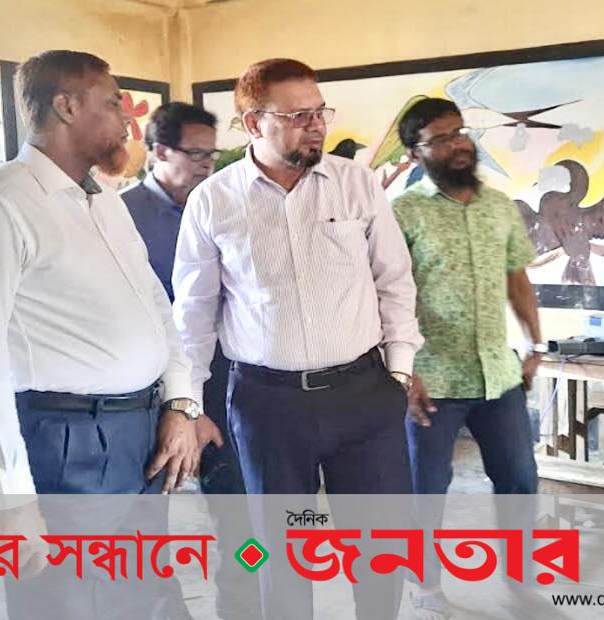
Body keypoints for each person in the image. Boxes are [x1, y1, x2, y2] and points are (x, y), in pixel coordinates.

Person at [0, 49, 202, 619]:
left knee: (142, 596)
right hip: (60, 444)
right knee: (72, 601)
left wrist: (179, 403)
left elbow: (157, 308)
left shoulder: (103, 201)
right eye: (112, 103)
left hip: (136, 433)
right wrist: (12, 501)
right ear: (66, 106)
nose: (128, 120)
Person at [172, 57, 423, 620]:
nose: (316, 125)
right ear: (252, 123)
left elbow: (394, 281)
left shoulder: (356, 184)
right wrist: (189, 404)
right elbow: (193, 314)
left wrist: (399, 372)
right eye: (297, 115)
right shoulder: (214, 201)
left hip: (363, 395)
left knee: (379, 551)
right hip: (268, 405)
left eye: (319, 112)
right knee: (282, 556)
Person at [392, 97, 542, 619]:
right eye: (440, 138)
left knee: (519, 481)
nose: (458, 144)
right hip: (431, 380)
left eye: (459, 132)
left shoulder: (499, 206)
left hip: (498, 376)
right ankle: (425, 587)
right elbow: (388, 298)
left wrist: (536, 343)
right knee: (425, 492)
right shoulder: (403, 213)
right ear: (415, 153)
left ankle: (520, 583)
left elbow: (517, 278)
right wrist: (404, 373)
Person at [121, 101, 261, 620]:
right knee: (146, 525)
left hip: (226, 384)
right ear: (159, 151)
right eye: (196, 154)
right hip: (146, 394)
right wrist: (181, 405)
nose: (207, 165)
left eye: (212, 154)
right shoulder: (121, 217)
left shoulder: (227, 204)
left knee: (242, 516)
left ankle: (243, 610)